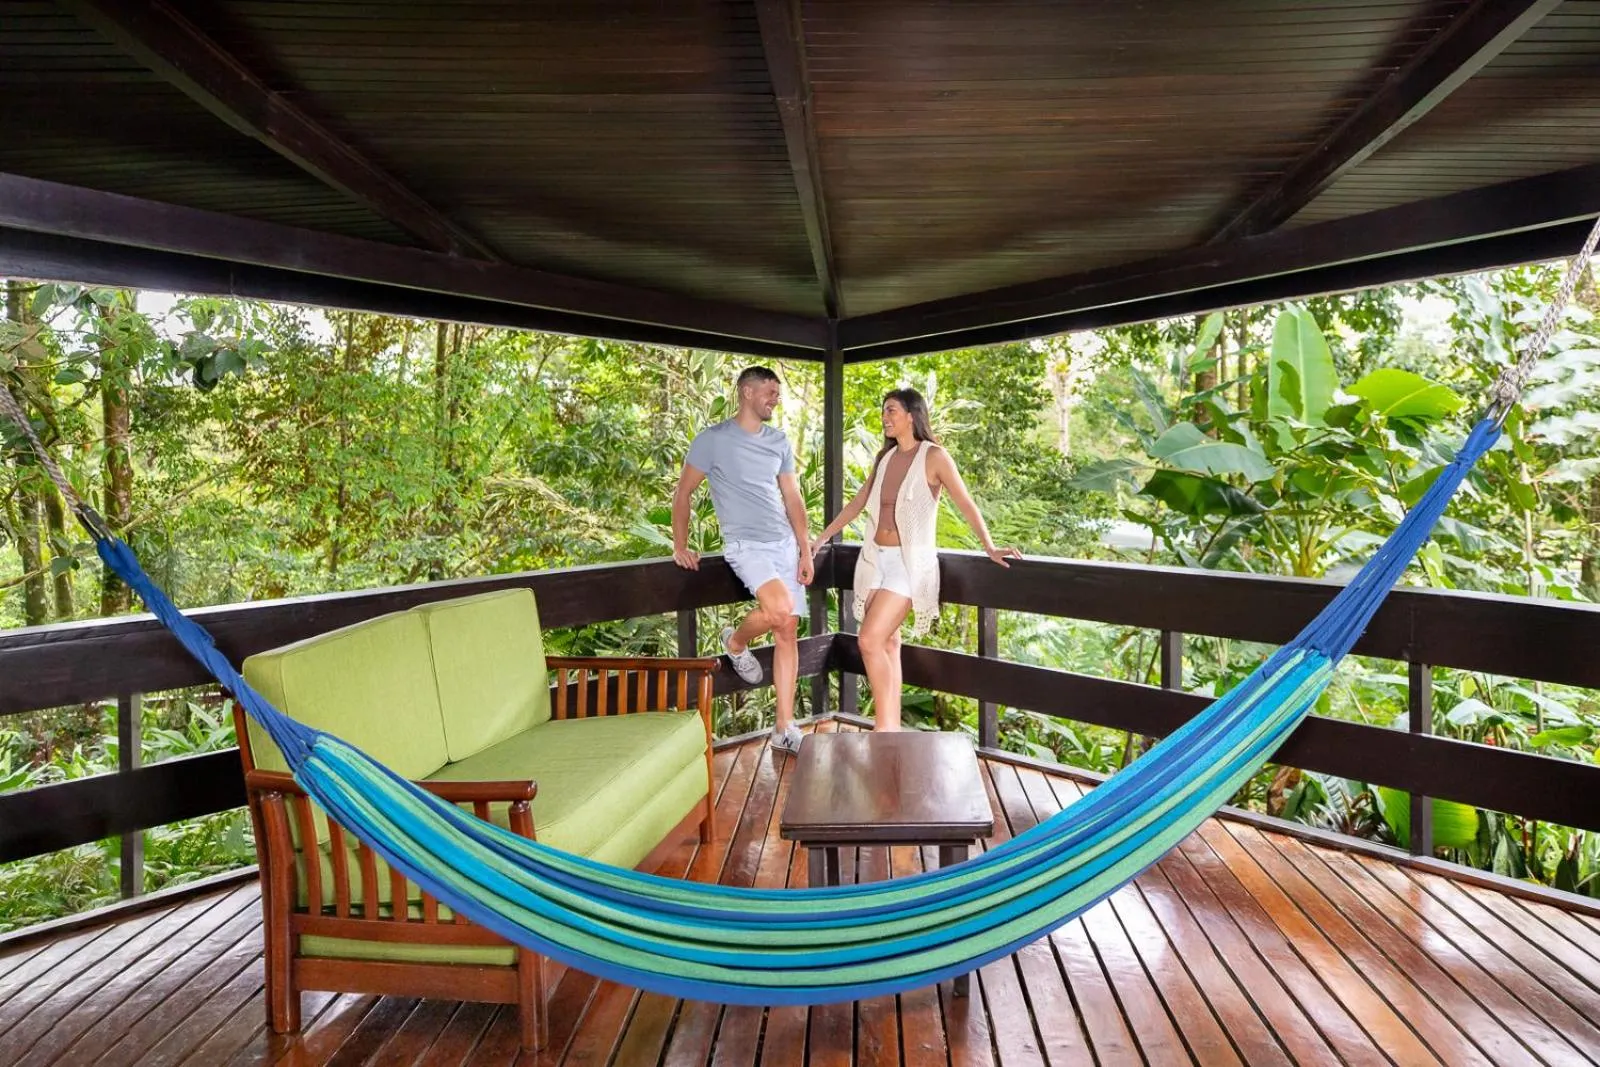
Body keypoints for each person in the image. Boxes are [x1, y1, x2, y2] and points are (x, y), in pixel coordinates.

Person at [812, 388, 1020, 731]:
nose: (885, 417)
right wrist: (821, 538)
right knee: (889, 642)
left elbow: (965, 502)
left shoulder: (934, 456)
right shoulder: (885, 458)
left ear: (912, 415)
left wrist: (989, 546)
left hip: (907, 566)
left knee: (869, 640)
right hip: (876, 561)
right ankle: (890, 728)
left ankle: (883, 729)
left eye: (891, 410)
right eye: (884, 411)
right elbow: (858, 503)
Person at [672, 367, 813, 755]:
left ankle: (784, 726)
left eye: (778, 392)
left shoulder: (779, 441)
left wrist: (804, 548)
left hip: (784, 544)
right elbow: (683, 493)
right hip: (746, 546)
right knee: (779, 610)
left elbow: (793, 498)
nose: (775, 398)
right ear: (746, 392)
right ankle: (735, 643)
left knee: (787, 631)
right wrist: (679, 545)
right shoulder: (712, 441)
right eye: (769, 391)